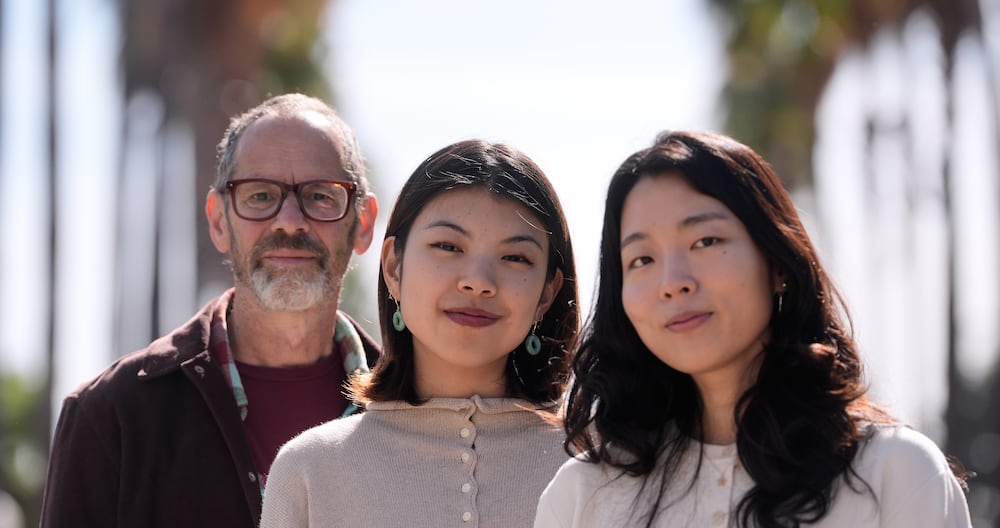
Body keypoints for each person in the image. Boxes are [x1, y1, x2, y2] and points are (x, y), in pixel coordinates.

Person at [535, 131, 972, 527]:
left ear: (778, 262)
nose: (673, 282)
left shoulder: (894, 472)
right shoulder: (582, 497)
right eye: (642, 260)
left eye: (706, 241)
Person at [39, 93, 381, 528]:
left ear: (363, 223)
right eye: (260, 196)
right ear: (219, 221)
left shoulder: (419, 409)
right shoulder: (111, 418)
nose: (290, 221)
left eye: (320, 196)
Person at [260, 139, 580, 527]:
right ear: (394, 267)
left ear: (547, 292)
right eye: (447, 246)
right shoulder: (309, 471)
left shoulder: (598, 466)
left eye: (515, 257)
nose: (478, 282)